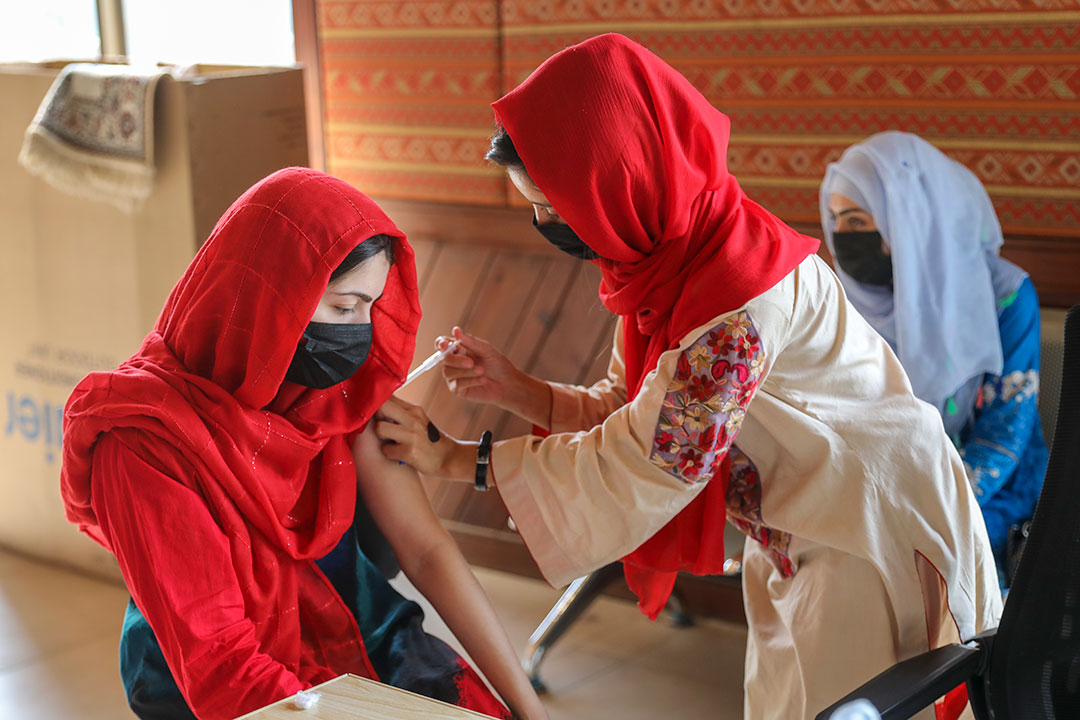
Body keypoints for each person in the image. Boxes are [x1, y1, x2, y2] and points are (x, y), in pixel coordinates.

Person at [373, 35, 1002, 720]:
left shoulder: (735, 300)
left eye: (553, 206)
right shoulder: (668, 262)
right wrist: (516, 388)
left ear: (615, 181)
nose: (543, 223)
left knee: (854, 703)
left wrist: (458, 459)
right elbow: (633, 409)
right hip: (796, 525)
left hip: (866, 529)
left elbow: (653, 459)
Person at [59, 168, 548, 720]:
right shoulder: (144, 441)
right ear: (269, 298)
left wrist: (529, 709)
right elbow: (221, 667)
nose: (359, 334)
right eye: (343, 309)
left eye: (370, 308)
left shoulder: (332, 396)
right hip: (206, 684)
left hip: (361, 627)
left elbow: (427, 551)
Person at [820, 132, 1049, 587]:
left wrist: (927, 515)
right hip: (886, 488)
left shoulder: (1005, 296)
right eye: (835, 219)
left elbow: (1005, 430)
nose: (841, 237)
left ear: (908, 217)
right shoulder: (847, 299)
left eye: (858, 220)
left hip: (990, 489)